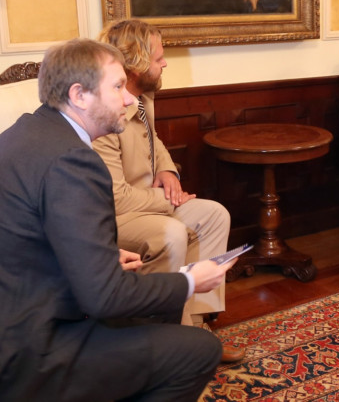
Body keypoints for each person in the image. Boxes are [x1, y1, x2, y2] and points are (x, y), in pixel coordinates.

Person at [0, 38, 234, 401]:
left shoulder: (25, 132)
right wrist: (189, 281)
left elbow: (30, 239)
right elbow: (104, 298)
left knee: (159, 314)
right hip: (32, 349)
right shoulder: (73, 160)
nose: (128, 99)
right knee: (200, 350)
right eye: (118, 87)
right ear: (79, 95)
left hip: (21, 310)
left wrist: (102, 257)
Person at [92, 19, 243, 362]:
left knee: (214, 215)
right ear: (134, 63)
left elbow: (153, 137)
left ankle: (199, 324)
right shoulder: (104, 113)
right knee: (172, 232)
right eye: (158, 57)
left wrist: (167, 169)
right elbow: (115, 198)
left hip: (149, 202)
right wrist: (168, 199)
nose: (164, 64)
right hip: (117, 214)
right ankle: (175, 338)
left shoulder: (142, 96)